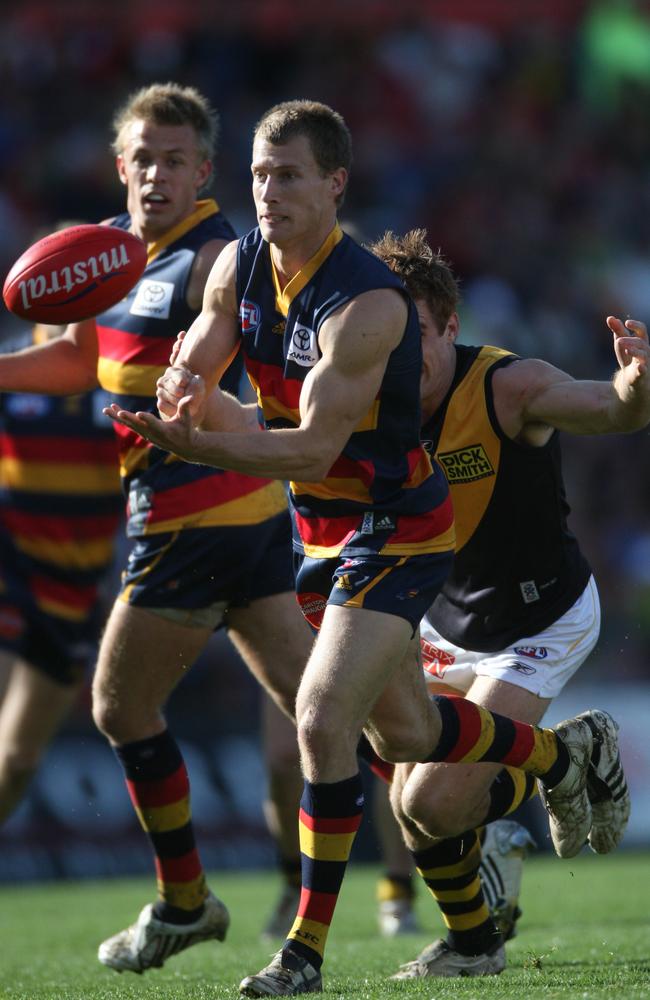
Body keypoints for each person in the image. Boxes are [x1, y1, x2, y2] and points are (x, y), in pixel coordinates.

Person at [107, 99, 631, 997]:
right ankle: (554, 773)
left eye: (290, 176)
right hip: (326, 537)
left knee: (323, 723)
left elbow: (310, 448)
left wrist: (204, 444)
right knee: (412, 743)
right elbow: (206, 340)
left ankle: (301, 956)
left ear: (336, 185)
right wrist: (186, 379)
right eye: (260, 176)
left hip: (404, 532)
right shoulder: (237, 265)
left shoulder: (370, 304)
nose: (267, 193)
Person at [0, 82, 315, 974]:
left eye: (176, 159)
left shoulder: (213, 252)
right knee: (328, 711)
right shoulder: (113, 256)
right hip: (235, 522)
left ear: (204, 171)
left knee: (118, 704)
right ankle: (474, 807)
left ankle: (185, 901)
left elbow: (242, 346)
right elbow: (79, 359)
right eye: (143, 157)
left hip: (196, 514)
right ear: (120, 166)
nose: (157, 173)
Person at [367, 229, 641, 978]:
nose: (396, 355)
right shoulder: (367, 401)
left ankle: (567, 763)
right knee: (409, 791)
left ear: (451, 328)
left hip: (539, 620)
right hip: (444, 625)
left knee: (433, 804)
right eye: (384, 338)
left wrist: (633, 386)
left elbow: (610, 410)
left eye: (413, 336)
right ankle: (478, 932)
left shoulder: (504, 385)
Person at [0, 317, 122, 826]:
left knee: (19, 758)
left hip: (77, 589)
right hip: (11, 569)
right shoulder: (10, 363)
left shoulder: (122, 373)